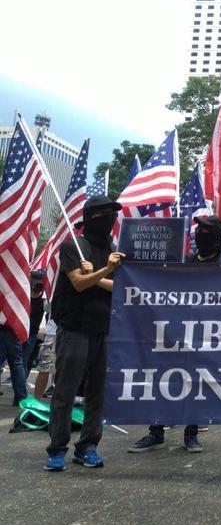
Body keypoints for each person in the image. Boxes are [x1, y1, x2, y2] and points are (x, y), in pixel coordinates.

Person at [128, 215, 221, 454]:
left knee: (195, 383)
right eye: (199, 229)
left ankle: (191, 433)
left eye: (206, 230)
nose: (199, 233)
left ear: (216, 239)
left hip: (204, 336)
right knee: (163, 379)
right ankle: (156, 432)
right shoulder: (184, 262)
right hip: (173, 333)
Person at [44, 195, 124, 471]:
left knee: (97, 394)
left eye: (113, 214)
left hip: (104, 329)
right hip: (75, 329)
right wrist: (106, 271)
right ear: (89, 218)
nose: (110, 218)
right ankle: (57, 449)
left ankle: (88, 446)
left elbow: (119, 288)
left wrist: (101, 274)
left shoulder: (114, 250)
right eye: (104, 213)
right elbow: (78, 283)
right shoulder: (73, 247)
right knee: (65, 392)